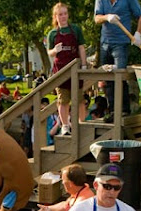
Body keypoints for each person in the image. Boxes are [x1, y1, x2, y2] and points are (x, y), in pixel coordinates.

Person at [94, 0, 141, 115]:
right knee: (108, 79)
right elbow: (97, 18)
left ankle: (124, 110)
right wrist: (107, 17)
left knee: (119, 76)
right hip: (105, 43)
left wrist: (138, 34)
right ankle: (113, 110)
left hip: (121, 43)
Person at [47, 2, 88, 136]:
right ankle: (65, 126)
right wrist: (54, 50)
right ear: (56, 16)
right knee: (62, 100)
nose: (63, 17)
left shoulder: (75, 30)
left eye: (65, 14)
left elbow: (81, 47)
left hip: (75, 70)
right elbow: (49, 52)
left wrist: (84, 65)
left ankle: (82, 123)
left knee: (80, 98)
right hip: (60, 70)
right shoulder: (52, 33)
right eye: (60, 14)